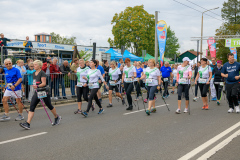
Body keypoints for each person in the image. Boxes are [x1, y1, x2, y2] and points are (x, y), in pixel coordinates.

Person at [19, 60, 61, 129]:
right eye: (34, 64)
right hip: (37, 91)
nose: (34, 66)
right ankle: (28, 123)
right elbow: (35, 82)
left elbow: (43, 83)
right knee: (32, 106)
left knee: (49, 105)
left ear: (39, 66)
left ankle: (57, 117)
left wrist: (37, 86)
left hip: (44, 91)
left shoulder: (42, 73)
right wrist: (34, 85)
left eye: (35, 65)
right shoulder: (33, 73)